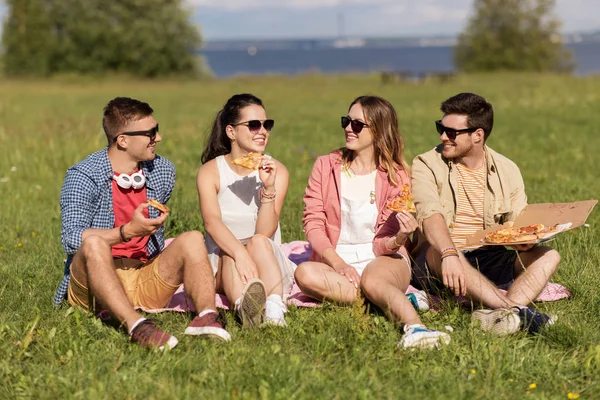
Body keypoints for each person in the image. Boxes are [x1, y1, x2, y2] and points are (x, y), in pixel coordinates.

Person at [54, 97, 230, 350]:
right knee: (92, 244)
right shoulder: (83, 176)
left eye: (155, 130)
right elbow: (71, 239)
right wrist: (127, 232)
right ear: (122, 140)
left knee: (192, 238)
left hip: (143, 275)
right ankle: (137, 326)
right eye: (150, 133)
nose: (158, 138)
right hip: (94, 284)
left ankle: (206, 316)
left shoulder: (162, 170)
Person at [294, 95, 450, 349]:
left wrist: (401, 237)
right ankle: (392, 299)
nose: (347, 128)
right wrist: (339, 264)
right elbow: (313, 222)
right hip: (336, 257)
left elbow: (384, 243)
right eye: (346, 121)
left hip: (384, 256)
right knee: (304, 274)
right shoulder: (326, 165)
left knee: (373, 280)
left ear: (377, 130)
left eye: (357, 124)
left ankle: (417, 329)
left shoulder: (397, 175)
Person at [411, 92, 561, 335]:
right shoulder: (426, 164)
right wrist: (449, 253)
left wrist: (523, 241)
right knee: (441, 250)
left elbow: (516, 222)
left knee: (549, 255)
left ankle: (499, 316)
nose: (442, 136)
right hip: (439, 259)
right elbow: (430, 214)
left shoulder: (507, 169)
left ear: (477, 135)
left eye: (451, 132)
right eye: (441, 127)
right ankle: (518, 312)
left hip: (487, 256)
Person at [197, 94, 295, 328]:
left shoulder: (276, 170)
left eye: (266, 125)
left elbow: (265, 231)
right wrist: (240, 254)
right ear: (231, 131)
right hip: (225, 258)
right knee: (230, 255)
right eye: (253, 125)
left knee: (258, 242)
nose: (262, 131)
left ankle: (273, 309)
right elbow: (212, 223)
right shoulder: (211, 171)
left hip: (264, 258)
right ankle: (246, 308)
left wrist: (269, 188)